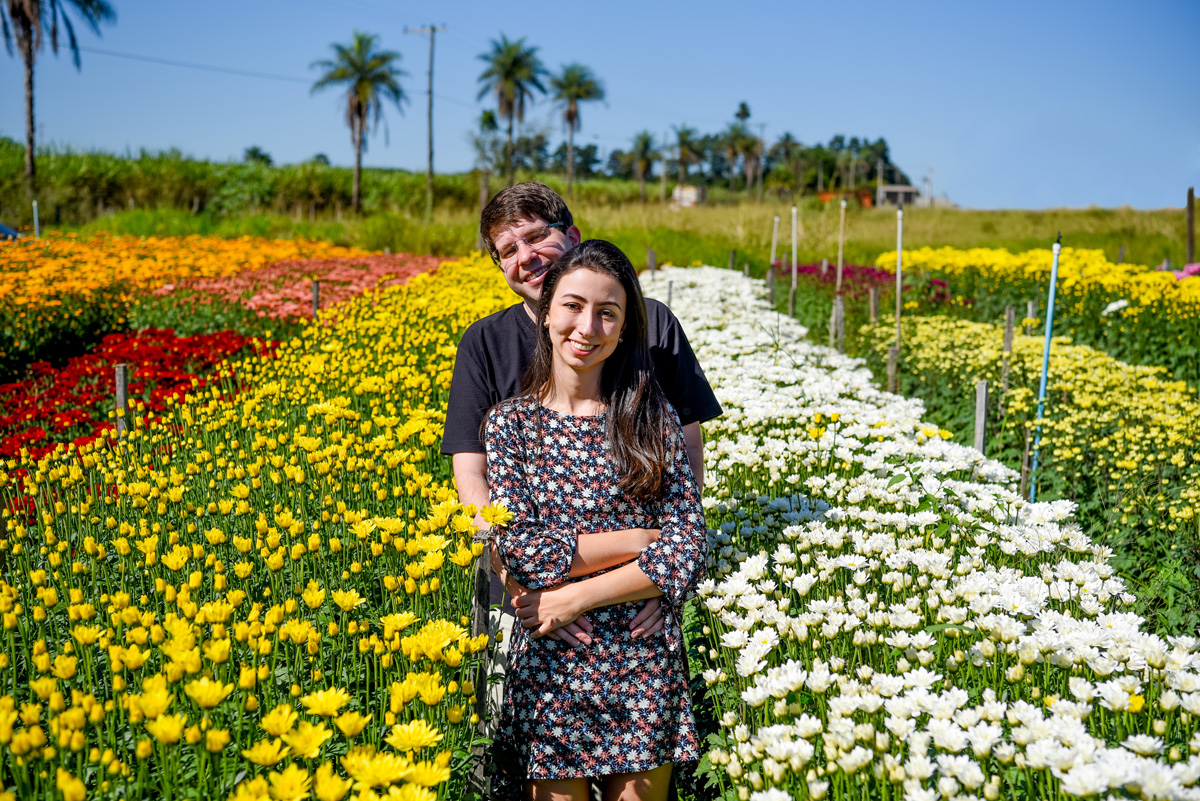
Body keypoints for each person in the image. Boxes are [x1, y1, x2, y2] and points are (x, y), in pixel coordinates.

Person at [440, 183, 720, 646]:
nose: (525, 257)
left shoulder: (653, 324)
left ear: (572, 234)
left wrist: (662, 577)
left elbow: (687, 455)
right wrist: (521, 585)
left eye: (535, 237)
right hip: (523, 595)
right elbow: (472, 479)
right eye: (507, 250)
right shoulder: (484, 343)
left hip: (637, 598)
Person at [484, 240, 709, 801]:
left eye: (607, 313)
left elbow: (688, 545)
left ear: (624, 327)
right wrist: (641, 543)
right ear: (547, 312)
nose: (588, 326)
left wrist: (574, 598)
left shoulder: (651, 419)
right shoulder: (509, 426)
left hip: (640, 655)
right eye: (574, 306)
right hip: (554, 660)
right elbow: (520, 551)